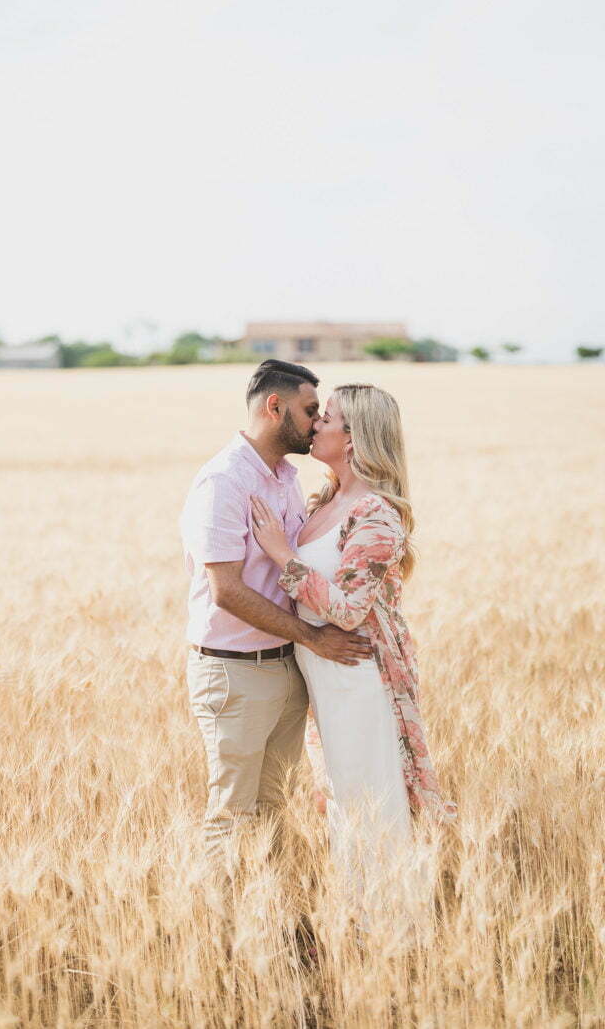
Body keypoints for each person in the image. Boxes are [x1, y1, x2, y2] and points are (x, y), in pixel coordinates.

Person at [250, 383, 457, 919]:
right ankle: (357, 926)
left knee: (372, 802)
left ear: (355, 436)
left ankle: (393, 932)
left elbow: (347, 610)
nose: (315, 423)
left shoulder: (376, 515)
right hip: (326, 677)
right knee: (342, 801)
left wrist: (280, 555)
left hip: (360, 679)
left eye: (328, 417)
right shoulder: (324, 503)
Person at [180, 361, 373, 865]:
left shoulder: (285, 477)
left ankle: (271, 923)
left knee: (273, 809)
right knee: (231, 814)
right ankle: (217, 937)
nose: (316, 422)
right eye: (311, 410)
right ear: (274, 407)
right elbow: (226, 591)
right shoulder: (224, 482)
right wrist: (315, 638)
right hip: (235, 670)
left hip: (284, 665)